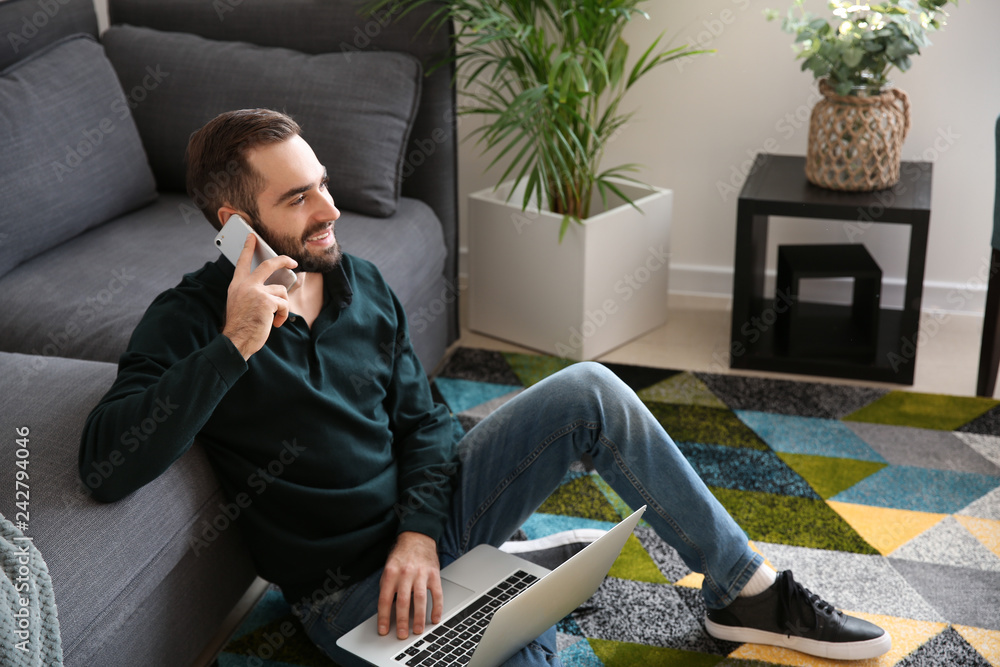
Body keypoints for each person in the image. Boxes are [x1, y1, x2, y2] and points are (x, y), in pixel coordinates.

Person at [79, 108, 890, 666]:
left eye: (322, 182)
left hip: (429, 526)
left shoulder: (357, 280)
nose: (331, 208)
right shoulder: (189, 322)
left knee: (589, 389)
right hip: (351, 599)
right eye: (298, 198)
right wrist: (235, 345)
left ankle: (745, 589)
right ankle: (511, 584)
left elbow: (427, 423)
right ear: (234, 220)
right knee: (522, 646)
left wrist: (421, 534)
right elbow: (107, 465)